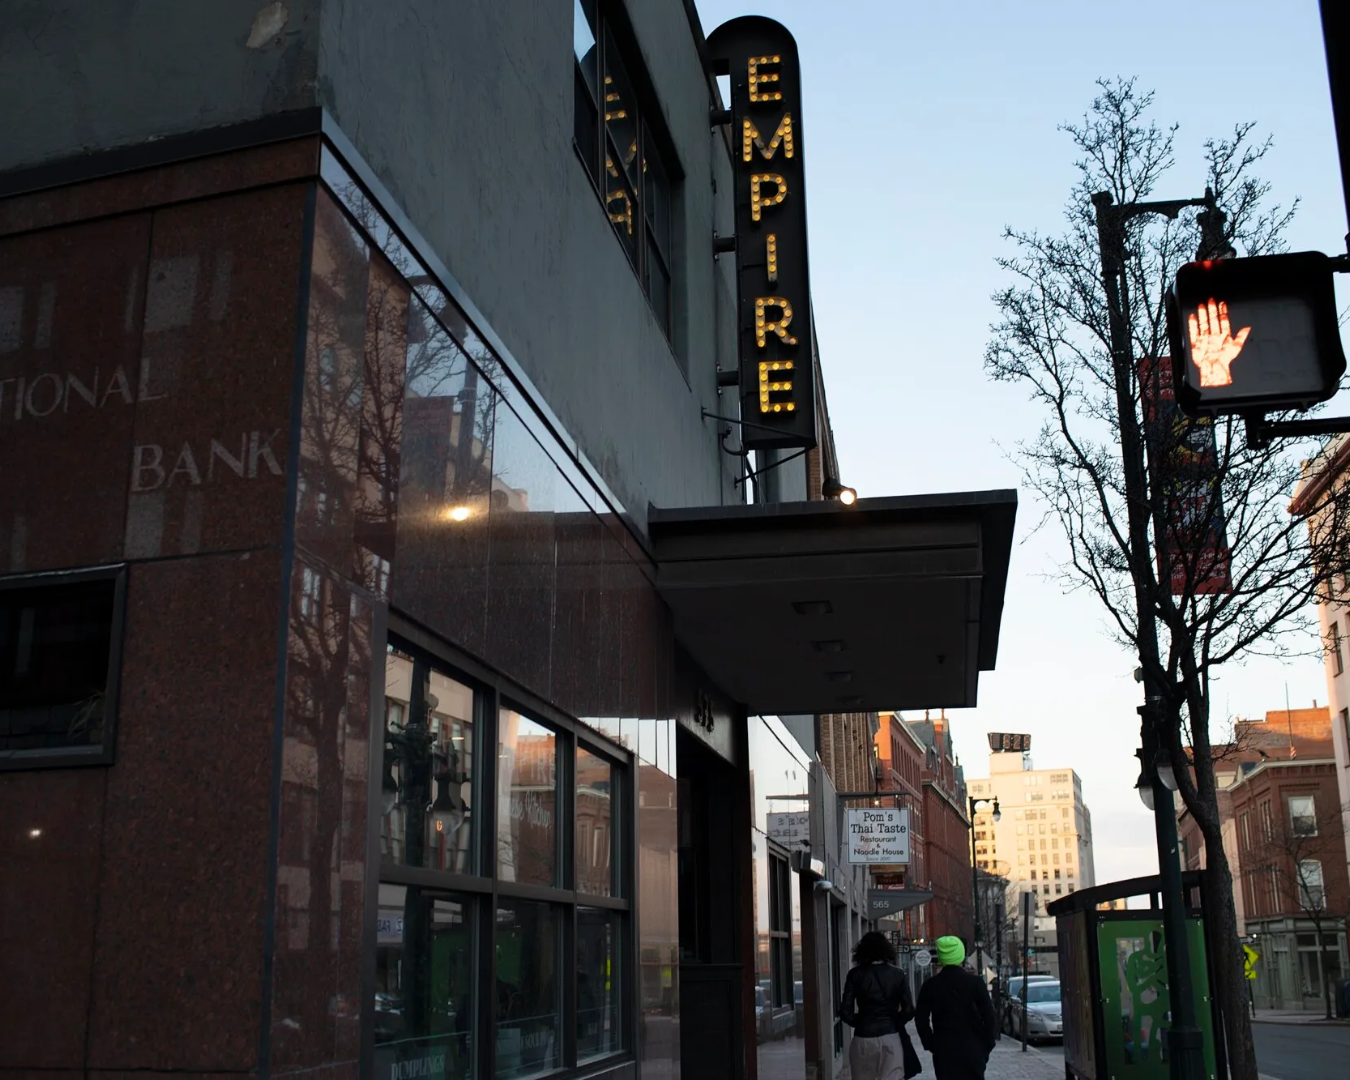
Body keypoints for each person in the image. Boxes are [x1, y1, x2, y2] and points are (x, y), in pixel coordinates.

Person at [839, 930, 921, 1080]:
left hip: (863, 1038)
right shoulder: (898, 974)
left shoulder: (855, 975)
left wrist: (862, 1021)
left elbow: (845, 1012)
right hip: (890, 1036)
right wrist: (895, 1021)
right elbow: (909, 1009)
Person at [915, 936, 998, 1080]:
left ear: (941, 957)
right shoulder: (976, 983)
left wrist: (931, 1043)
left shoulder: (930, 985)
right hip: (973, 1047)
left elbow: (920, 1019)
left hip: (944, 1048)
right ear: (961, 956)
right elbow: (990, 1017)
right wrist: (986, 1045)